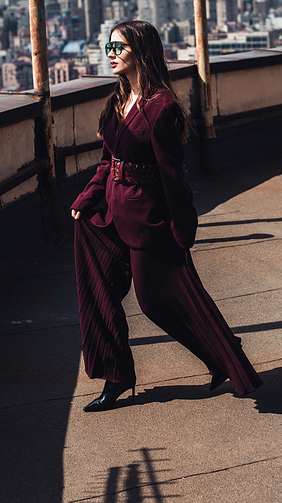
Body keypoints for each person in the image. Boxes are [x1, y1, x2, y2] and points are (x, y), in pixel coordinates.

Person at [71, 20, 263, 412]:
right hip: (108, 212)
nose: (110, 54)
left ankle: (225, 356)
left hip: (147, 218)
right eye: (107, 46)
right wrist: (87, 198)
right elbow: (108, 161)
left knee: (157, 301)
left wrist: (182, 229)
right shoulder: (117, 100)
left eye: (118, 48)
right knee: (98, 292)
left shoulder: (162, 109)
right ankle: (115, 377)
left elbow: (173, 177)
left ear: (140, 52)